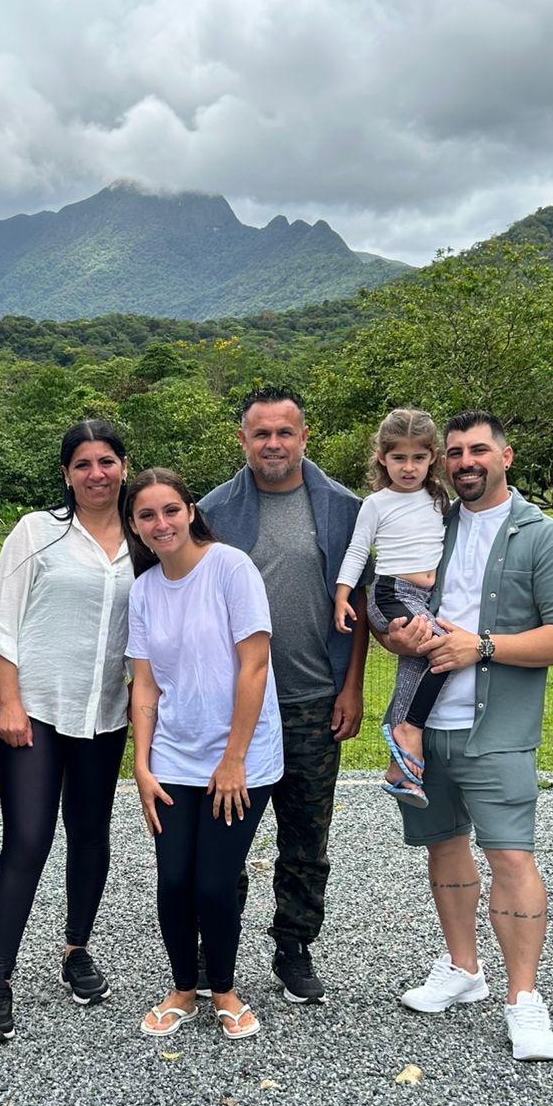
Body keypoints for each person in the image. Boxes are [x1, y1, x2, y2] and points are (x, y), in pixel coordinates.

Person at [381, 411, 553, 1060]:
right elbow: (385, 607)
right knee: (443, 847)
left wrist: (485, 647)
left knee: (510, 856)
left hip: (496, 729)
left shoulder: (544, 538)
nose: (465, 461)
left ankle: (524, 998)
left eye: (478, 450)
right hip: (422, 724)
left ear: (506, 455)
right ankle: (463, 969)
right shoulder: (429, 527)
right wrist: (396, 634)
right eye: (455, 452)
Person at [199, 387, 368, 1005]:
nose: (273, 444)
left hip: (314, 698)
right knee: (226, 837)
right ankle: (216, 947)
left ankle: (294, 946)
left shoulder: (343, 509)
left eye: (284, 432)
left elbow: (360, 602)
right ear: (243, 439)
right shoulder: (212, 512)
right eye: (261, 433)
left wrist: (352, 687)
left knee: (306, 841)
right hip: (237, 707)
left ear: (304, 437)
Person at [0, 419, 134, 1045]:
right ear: (66, 474)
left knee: (90, 835)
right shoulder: (37, 532)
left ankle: (76, 949)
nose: (96, 474)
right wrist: (9, 702)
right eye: (83, 464)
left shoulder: (143, 539)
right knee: (27, 840)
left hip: (105, 713)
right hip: (36, 711)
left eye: (107, 461)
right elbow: (2, 622)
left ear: (124, 466)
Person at [126, 469, 283, 1041]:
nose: (161, 524)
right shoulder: (143, 590)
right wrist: (142, 765)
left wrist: (234, 758)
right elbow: (144, 684)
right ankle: (182, 990)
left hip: (241, 758)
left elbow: (255, 665)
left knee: (214, 884)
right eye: (147, 515)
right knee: (174, 882)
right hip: (173, 758)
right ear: (135, 526)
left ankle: (224, 990)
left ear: (190, 511)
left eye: (170, 510)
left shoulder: (230, 568)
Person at [333, 407, 449, 806]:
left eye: (418, 457)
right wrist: (343, 595)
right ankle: (409, 732)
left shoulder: (438, 499)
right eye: (399, 457)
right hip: (391, 594)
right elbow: (357, 551)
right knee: (445, 649)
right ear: (382, 457)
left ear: (433, 457)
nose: (409, 467)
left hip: (424, 598)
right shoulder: (376, 504)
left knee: (415, 666)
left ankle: (401, 770)